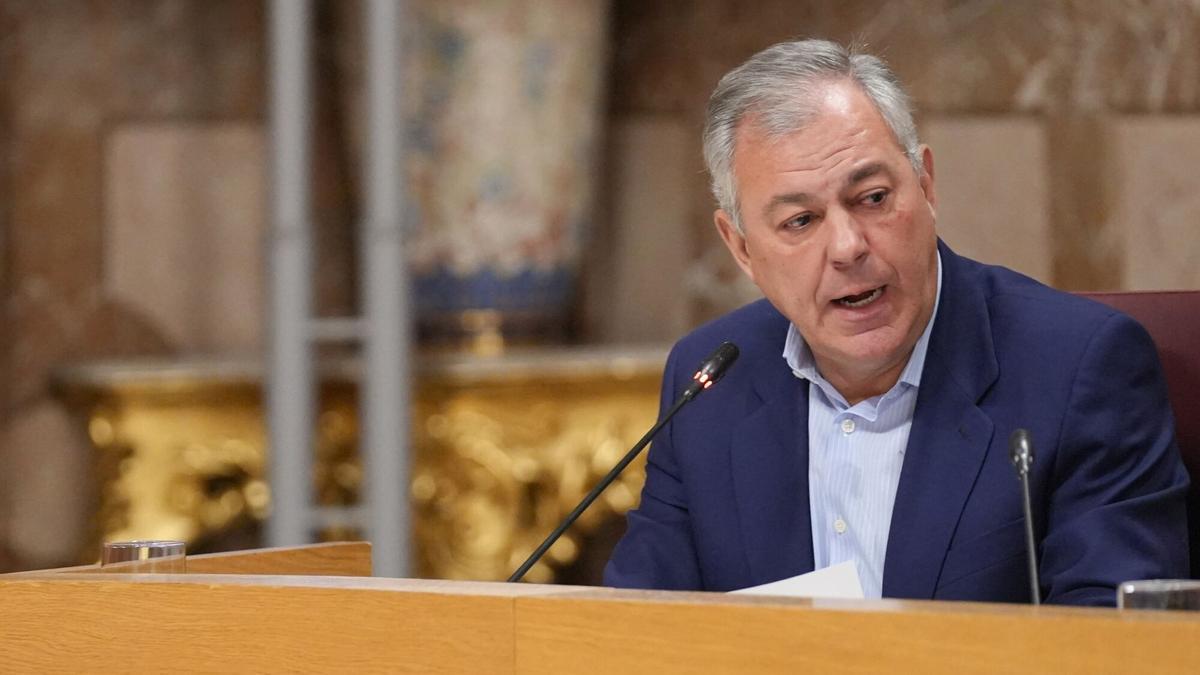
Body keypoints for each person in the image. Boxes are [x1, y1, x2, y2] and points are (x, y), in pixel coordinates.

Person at [603, 39, 1189, 605]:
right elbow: (634, 625)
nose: (847, 247)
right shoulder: (709, 382)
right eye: (801, 221)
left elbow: (1112, 637)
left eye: (873, 198)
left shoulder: (1079, 368)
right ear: (740, 247)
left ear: (926, 185)